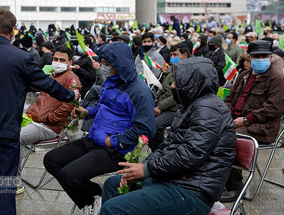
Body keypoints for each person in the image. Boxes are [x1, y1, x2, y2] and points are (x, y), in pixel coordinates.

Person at [0, 9, 79, 215]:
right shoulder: (21, 57)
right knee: (7, 183)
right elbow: (46, 84)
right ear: (12, 31)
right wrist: (71, 96)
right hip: (7, 128)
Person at [100, 56, 236, 215]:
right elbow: (167, 145)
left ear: (193, 83)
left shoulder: (209, 109)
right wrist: (142, 167)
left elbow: (190, 155)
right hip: (174, 177)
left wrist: (147, 169)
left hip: (192, 190)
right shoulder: (189, 107)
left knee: (112, 209)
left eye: (177, 82)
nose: (172, 85)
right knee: (113, 184)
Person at [43, 41, 155, 213]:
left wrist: (113, 141)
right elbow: (104, 106)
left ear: (119, 64)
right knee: (51, 160)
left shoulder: (140, 92)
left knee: (70, 175)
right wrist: (87, 112)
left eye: (107, 64)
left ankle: (95, 200)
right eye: (102, 62)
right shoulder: (111, 81)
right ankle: (94, 198)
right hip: (94, 138)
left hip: (115, 150)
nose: (102, 67)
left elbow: (146, 129)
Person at [221, 40, 284, 202]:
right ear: (249, 58)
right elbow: (229, 98)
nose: (260, 59)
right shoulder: (244, 75)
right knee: (209, 131)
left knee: (226, 138)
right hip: (236, 122)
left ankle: (235, 186)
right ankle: (217, 177)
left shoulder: (277, 80)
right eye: (256, 56)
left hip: (260, 128)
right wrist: (228, 114)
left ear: (271, 58)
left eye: (264, 56)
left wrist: (245, 120)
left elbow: (273, 109)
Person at [150, 43, 189, 150]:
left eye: (175, 55)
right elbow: (163, 88)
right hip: (162, 105)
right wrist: (156, 98)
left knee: (155, 125)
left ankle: (159, 151)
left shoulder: (186, 72)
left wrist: (159, 107)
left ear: (184, 55)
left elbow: (175, 97)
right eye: (171, 55)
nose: (172, 58)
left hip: (174, 109)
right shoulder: (172, 69)